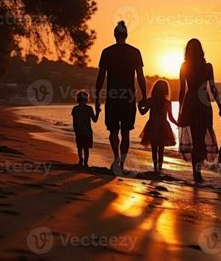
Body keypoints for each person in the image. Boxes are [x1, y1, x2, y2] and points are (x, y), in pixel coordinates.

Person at [95, 21, 147, 174]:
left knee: (113, 131)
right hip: (128, 97)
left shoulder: (107, 52)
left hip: (112, 97)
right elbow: (141, 77)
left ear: (115, 35)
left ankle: (116, 158)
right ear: (126, 35)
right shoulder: (135, 52)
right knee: (125, 132)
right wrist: (144, 97)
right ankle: (122, 163)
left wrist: (97, 99)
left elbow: (100, 78)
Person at [178, 38, 221, 183]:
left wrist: (180, 111)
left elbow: (182, 91)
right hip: (203, 103)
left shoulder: (185, 66)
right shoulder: (207, 67)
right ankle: (197, 172)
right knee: (199, 139)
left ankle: (196, 172)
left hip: (191, 103)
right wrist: (220, 107)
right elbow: (213, 89)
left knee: (196, 139)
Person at [138, 80, 178, 173]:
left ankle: (156, 167)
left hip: (153, 125)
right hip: (162, 126)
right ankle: (159, 168)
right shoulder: (167, 102)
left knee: (154, 148)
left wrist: (139, 106)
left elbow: (142, 112)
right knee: (161, 149)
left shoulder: (151, 100)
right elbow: (171, 118)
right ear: (166, 90)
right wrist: (177, 124)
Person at [71, 90, 100, 167]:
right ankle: (85, 163)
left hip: (79, 130)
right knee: (86, 148)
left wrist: (75, 130)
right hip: (87, 131)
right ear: (86, 99)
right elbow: (95, 120)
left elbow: (74, 122)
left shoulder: (75, 109)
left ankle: (81, 160)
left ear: (78, 99)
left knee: (80, 147)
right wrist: (98, 112)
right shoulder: (89, 108)